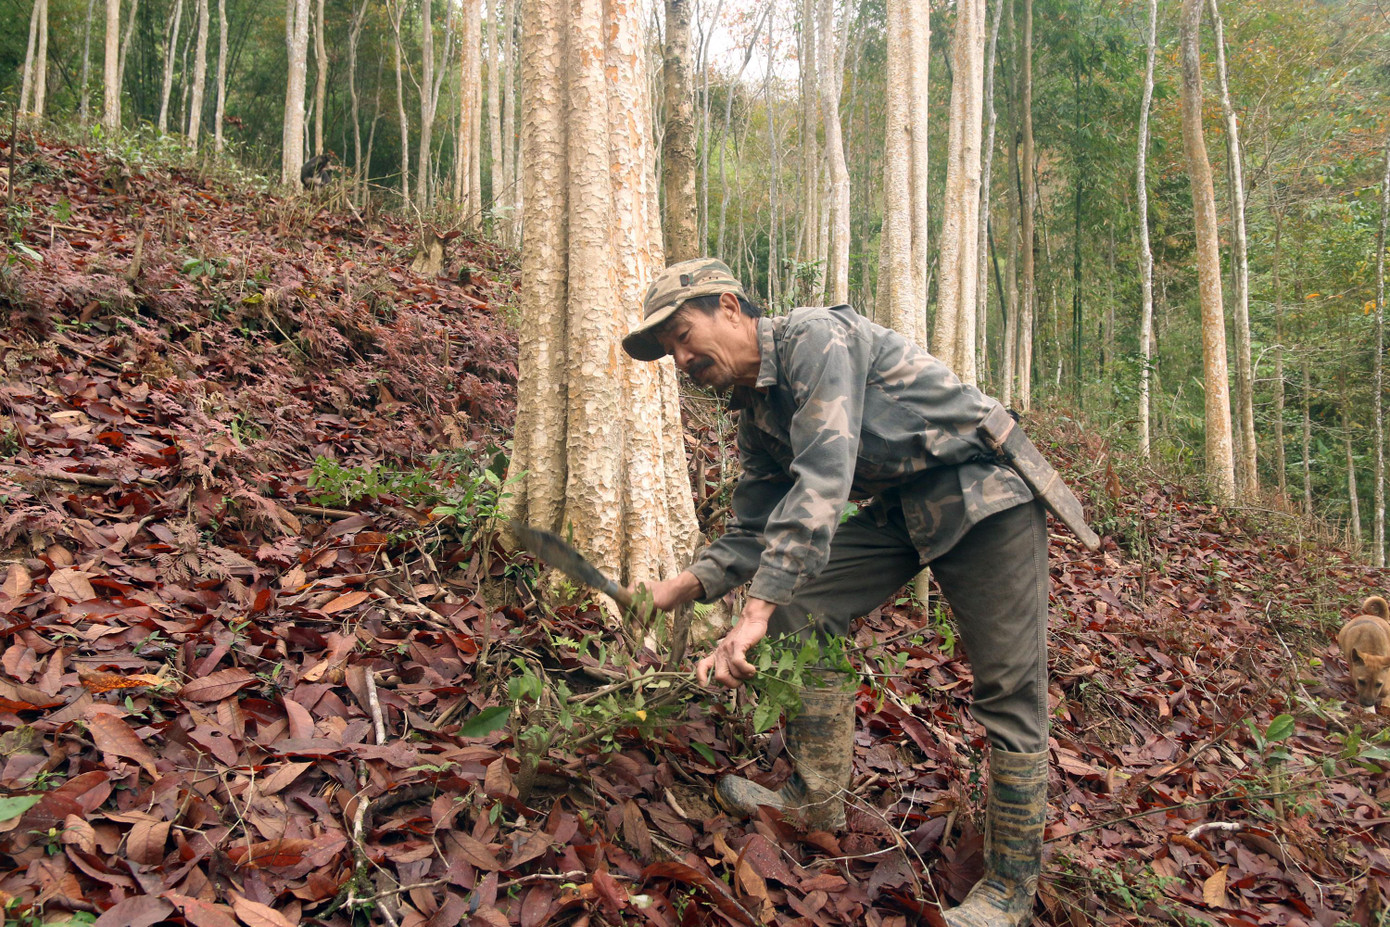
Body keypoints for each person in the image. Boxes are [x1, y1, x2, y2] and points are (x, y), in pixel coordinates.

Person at [623, 257, 1098, 927]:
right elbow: (756, 524)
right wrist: (685, 584)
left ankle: (1011, 886)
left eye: (682, 335)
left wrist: (752, 611)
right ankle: (817, 798)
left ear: (729, 306)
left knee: (1009, 688)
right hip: (903, 506)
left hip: (982, 489)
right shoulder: (756, 412)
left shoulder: (815, 338)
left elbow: (823, 476)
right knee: (801, 599)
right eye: (669, 350)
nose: (680, 358)